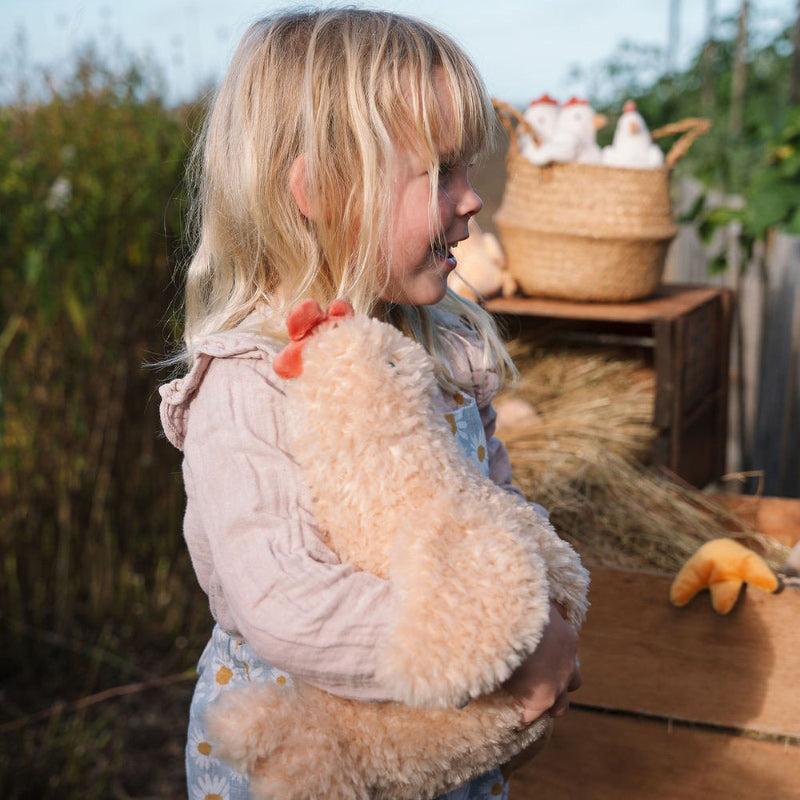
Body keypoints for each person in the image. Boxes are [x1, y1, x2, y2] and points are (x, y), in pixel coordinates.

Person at [159, 9, 583, 799]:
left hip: (437, 754)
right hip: (304, 762)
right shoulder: (250, 385)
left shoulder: (442, 350)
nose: (471, 202)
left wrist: (541, 598)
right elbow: (288, 603)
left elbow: (493, 509)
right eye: (443, 173)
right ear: (320, 189)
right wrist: (506, 643)